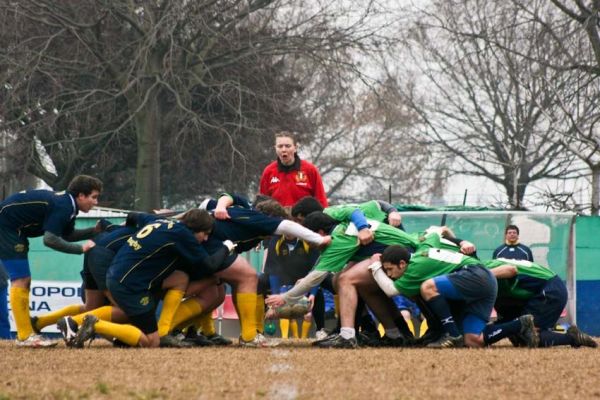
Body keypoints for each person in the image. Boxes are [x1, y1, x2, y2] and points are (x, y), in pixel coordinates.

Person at [66, 209, 233, 348]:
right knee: (151, 341)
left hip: (121, 275)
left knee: (180, 278)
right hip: (130, 285)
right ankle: (94, 324)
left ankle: (164, 330)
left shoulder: (158, 221)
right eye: (205, 234)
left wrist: (128, 227)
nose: (205, 239)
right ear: (196, 228)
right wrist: (227, 247)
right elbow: (209, 265)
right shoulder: (183, 236)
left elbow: (133, 215)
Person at [368, 243, 538, 349]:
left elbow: (391, 290)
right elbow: (436, 232)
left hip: (475, 275)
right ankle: (520, 324)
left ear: (402, 263)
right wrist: (459, 241)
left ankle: (452, 334)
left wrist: (375, 266)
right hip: (485, 284)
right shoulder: (421, 253)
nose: (389, 274)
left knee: (427, 287)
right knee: (473, 341)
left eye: (390, 269)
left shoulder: (415, 267)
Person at [0, 175, 103, 347]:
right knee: (21, 280)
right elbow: (50, 239)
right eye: (93, 197)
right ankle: (25, 336)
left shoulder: (69, 205)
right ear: (81, 196)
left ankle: (26, 334)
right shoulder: (64, 205)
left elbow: (67, 235)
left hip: (13, 229)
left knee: (24, 280)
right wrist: (80, 249)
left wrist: (94, 230)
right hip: (6, 228)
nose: (96, 202)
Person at [483, 258, 596, 348]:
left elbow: (511, 270)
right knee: (517, 335)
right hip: (548, 286)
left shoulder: (484, 272)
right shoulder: (486, 266)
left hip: (550, 289)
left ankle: (573, 338)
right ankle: (570, 337)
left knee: (528, 336)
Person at [259, 131, 328, 208]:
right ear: (275, 148)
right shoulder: (269, 171)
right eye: (280, 146)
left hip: (303, 219)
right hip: (278, 219)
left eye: (288, 146)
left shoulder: (310, 170)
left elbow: (321, 202)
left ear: (295, 148)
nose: (283, 150)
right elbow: (262, 204)